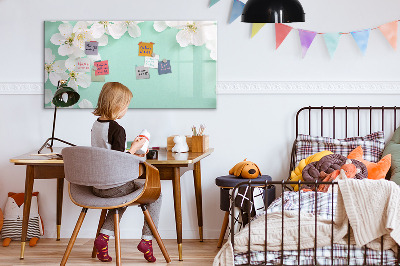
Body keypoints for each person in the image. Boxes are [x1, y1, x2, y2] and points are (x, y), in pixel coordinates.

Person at [91, 82, 161, 263]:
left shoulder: (96, 125)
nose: (126, 110)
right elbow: (119, 161)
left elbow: (108, 154)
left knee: (121, 197)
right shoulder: (117, 129)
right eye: (126, 105)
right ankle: (147, 240)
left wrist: (130, 150)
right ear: (117, 105)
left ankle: (103, 238)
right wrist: (136, 148)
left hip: (97, 186)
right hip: (114, 186)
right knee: (156, 194)